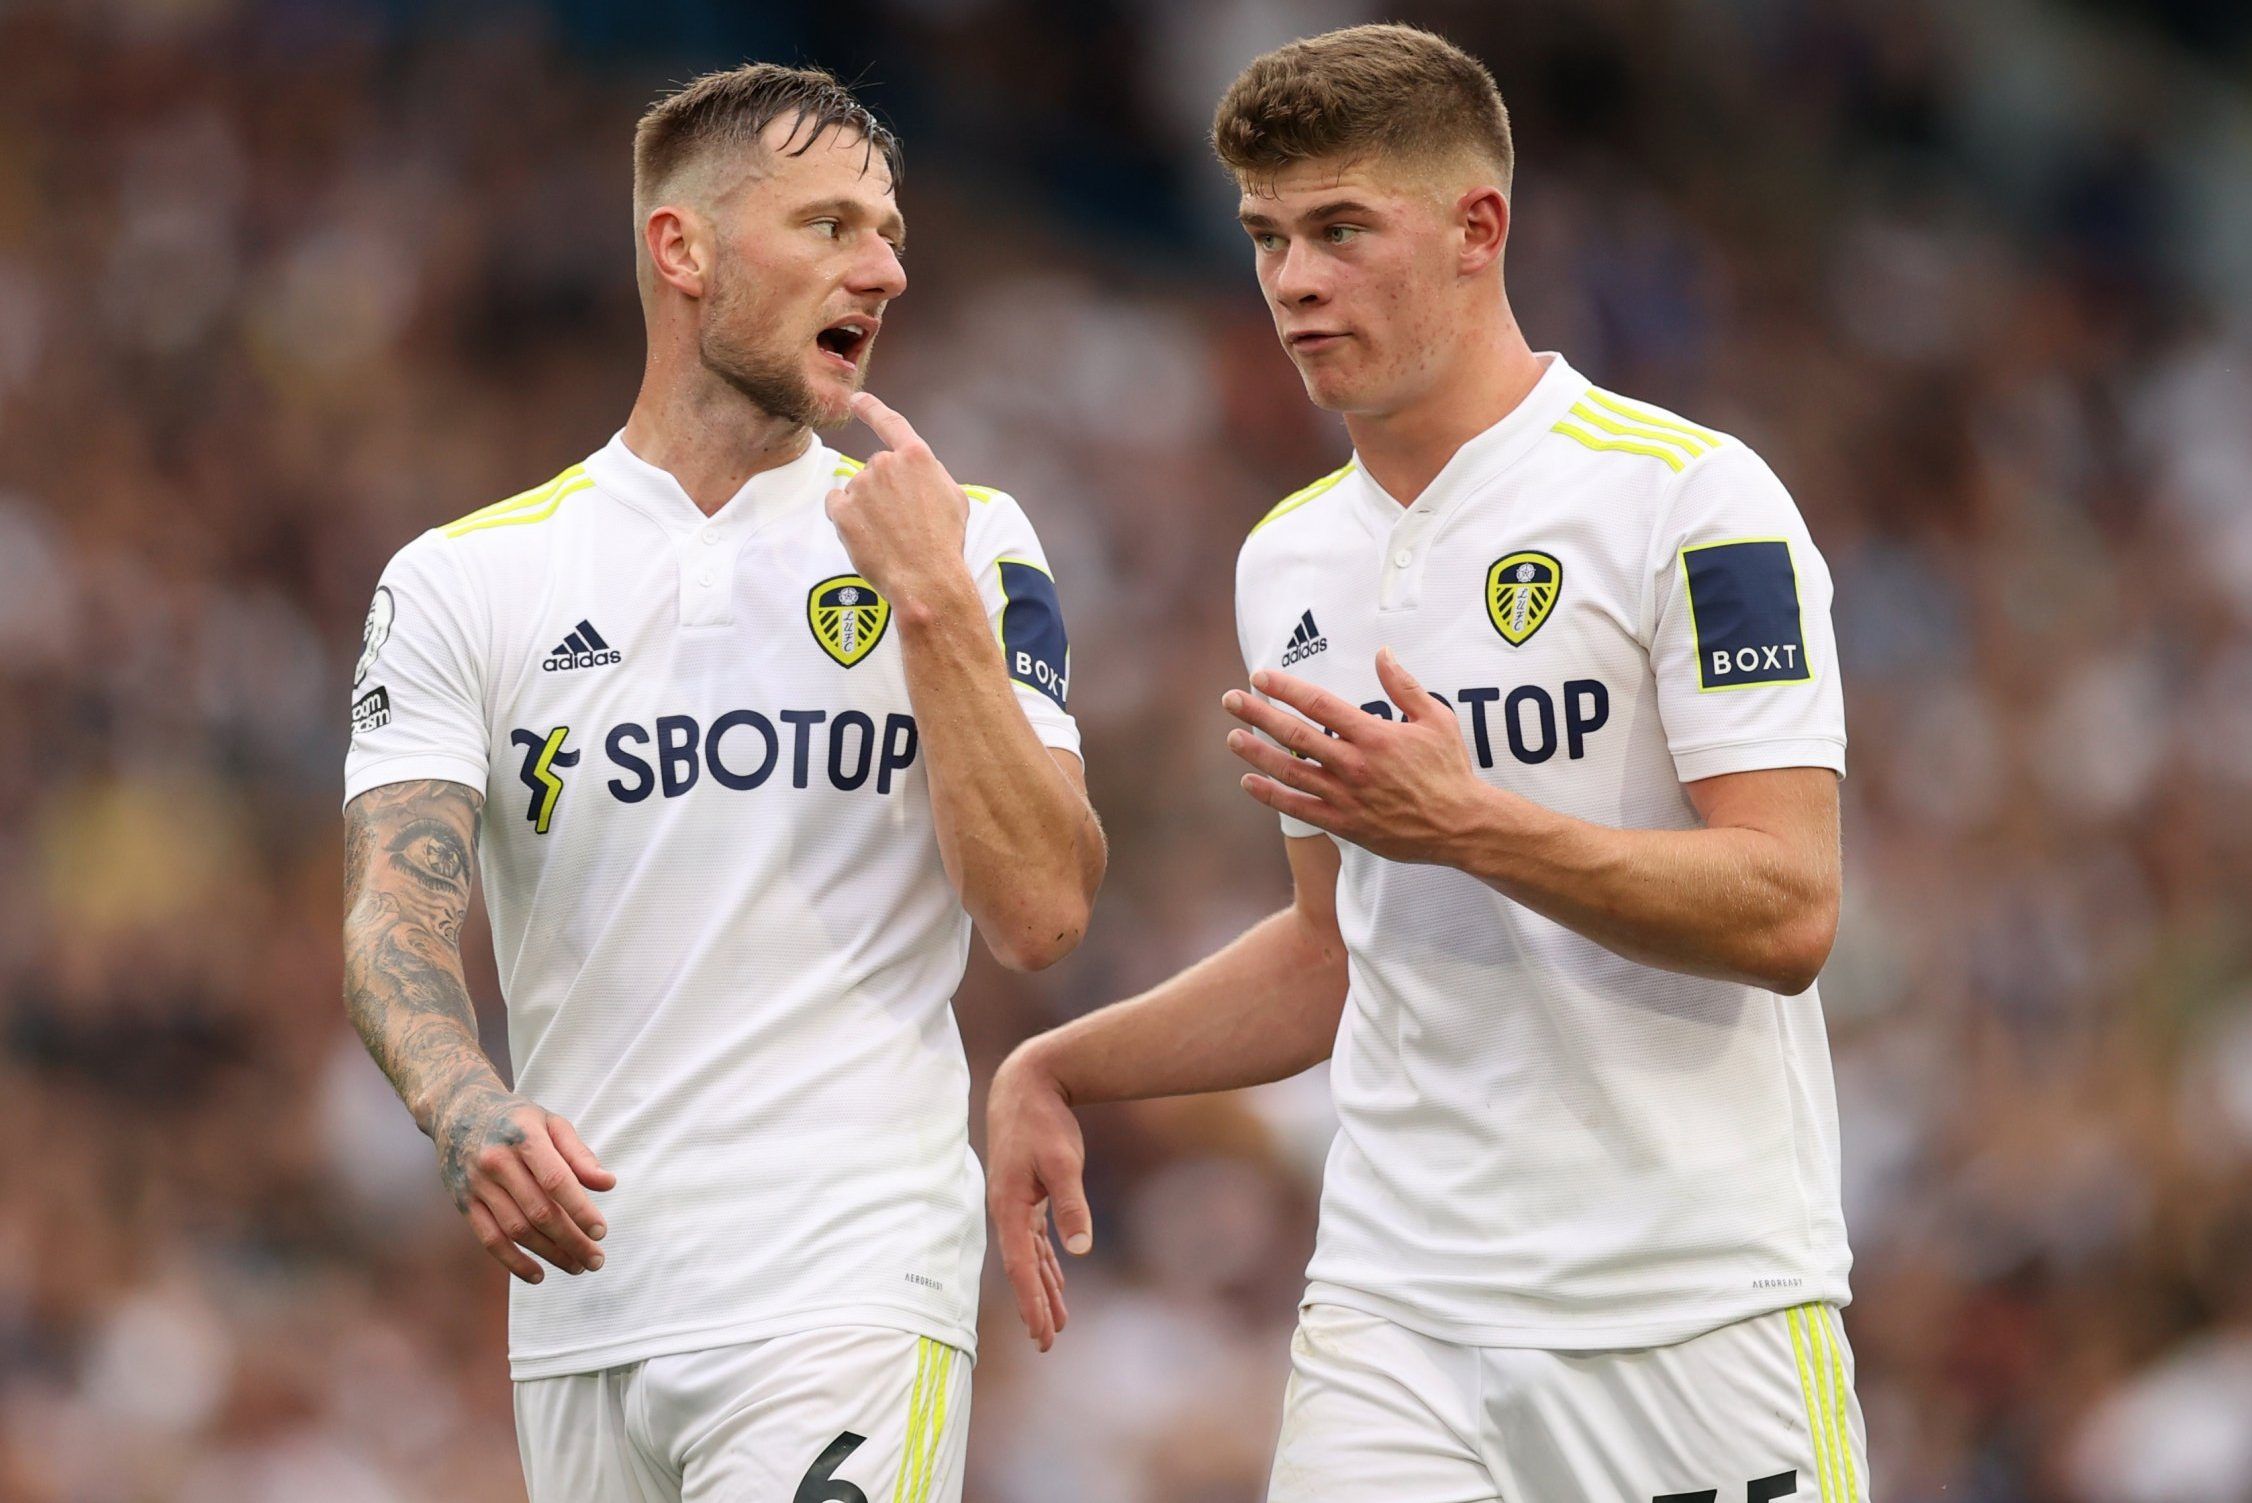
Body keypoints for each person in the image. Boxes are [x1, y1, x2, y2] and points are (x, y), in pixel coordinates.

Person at [986, 23, 1865, 1503]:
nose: (1292, 281)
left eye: (1340, 230)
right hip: (1399, 1312)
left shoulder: (1693, 502)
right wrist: (1063, 1063)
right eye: (1266, 238)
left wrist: (1472, 824)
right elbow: (1338, 953)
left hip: (1686, 1306)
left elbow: (1787, 911)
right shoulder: (1288, 560)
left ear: (1478, 229)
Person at [340, 63, 1103, 1503]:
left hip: (842, 1282)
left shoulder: (968, 541)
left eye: (888, 234)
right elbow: (393, 922)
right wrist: (468, 1112)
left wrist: (935, 606)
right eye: (826, 226)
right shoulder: (466, 578)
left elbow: (1043, 910)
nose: (880, 267)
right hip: (584, 1313)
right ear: (680, 250)